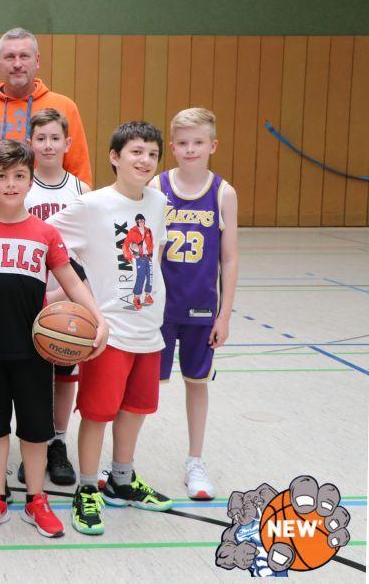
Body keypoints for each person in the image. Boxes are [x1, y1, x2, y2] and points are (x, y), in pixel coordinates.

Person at [0, 140, 108, 539]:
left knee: (34, 430)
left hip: (35, 351)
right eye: (1, 176)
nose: (10, 184)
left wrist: (98, 319)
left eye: (19, 176)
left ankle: (35, 499)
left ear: (31, 181)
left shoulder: (45, 233)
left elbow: (72, 282)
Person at [49, 121, 173, 537]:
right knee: (98, 413)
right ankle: (87, 488)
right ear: (114, 157)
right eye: (136, 151)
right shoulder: (92, 205)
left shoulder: (158, 202)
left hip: (149, 328)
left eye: (152, 154)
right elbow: (47, 240)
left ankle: (122, 478)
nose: (145, 160)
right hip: (109, 332)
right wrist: (70, 295)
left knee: (137, 409)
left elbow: (154, 258)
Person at [153, 108, 238, 501]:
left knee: (196, 384)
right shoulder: (157, 186)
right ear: (172, 147)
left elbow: (229, 259)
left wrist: (225, 315)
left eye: (198, 142)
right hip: (158, 308)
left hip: (201, 308)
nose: (191, 149)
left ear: (213, 146)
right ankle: (122, 460)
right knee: (141, 386)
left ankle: (195, 461)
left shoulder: (223, 193)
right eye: (183, 143)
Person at [23, 108, 92, 487]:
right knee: (33, 375)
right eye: (41, 138)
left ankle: (58, 442)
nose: (48, 145)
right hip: (31, 294)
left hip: (68, 295)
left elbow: (89, 251)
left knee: (65, 374)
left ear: (67, 143)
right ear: (29, 143)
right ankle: (35, 441)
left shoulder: (81, 191)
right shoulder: (21, 186)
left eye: (55, 138)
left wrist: (68, 293)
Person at [0, 28, 92, 186]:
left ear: (37, 61)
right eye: (10, 57)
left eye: (24, 56)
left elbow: (79, 172)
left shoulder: (64, 107)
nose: (17, 64)